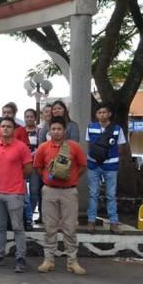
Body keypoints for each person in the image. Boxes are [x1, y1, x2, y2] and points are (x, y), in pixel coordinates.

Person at [33, 117, 88, 275]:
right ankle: (48, 260)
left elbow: (83, 166)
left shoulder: (74, 147)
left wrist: (71, 178)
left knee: (70, 227)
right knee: (49, 227)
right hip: (49, 190)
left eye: (59, 129)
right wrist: (48, 179)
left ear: (65, 131)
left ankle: (72, 261)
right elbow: (38, 167)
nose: (56, 132)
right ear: (49, 131)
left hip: (69, 192)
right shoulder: (43, 147)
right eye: (53, 129)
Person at [0, 118, 32, 273]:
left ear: (14, 129)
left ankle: (20, 258)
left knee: (18, 227)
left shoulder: (21, 147)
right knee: (0, 226)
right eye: (2, 126)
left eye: (8, 126)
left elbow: (28, 169)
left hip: (15, 193)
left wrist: (15, 180)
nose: (5, 129)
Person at [86, 104, 126, 234]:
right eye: (99, 112)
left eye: (104, 112)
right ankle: (91, 221)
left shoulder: (117, 129)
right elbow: (89, 145)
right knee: (93, 194)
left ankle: (114, 223)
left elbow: (120, 147)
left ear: (109, 114)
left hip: (111, 166)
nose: (102, 114)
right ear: (96, 115)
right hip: (93, 165)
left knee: (111, 195)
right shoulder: (90, 127)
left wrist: (108, 157)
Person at [24, 108, 41, 226]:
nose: (29, 119)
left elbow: (42, 146)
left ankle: (30, 214)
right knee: (23, 191)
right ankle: (25, 214)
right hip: (23, 164)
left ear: (35, 118)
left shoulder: (40, 131)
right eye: (27, 116)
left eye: (31, 116)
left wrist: (32, 154)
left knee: (34, 190)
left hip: (35, 163)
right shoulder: (21, 130)